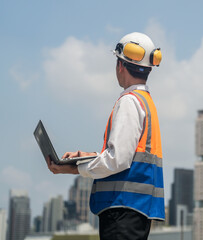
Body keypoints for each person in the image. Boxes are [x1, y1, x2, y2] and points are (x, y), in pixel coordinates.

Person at [46, 32, 164, 240]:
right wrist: (88, 156)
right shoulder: (146, 102)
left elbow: (117, 159)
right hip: (134, 210)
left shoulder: (129, 101)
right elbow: (127, 156)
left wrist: (74, 168)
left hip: (122, 211)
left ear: (120, 65)